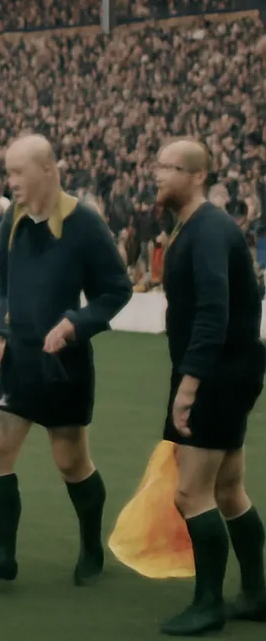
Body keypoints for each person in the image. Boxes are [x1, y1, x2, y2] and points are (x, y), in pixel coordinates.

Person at [0, 134, 133, 590]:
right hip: (19, 361)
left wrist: (74, 324)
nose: (9, 183)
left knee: (71, 462)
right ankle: (1, 557)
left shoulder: (86, 224)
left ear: (48, 170)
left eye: (16, 173)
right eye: (7, 173)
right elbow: (5, 292)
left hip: (63, 366)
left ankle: (91, 549)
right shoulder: (10, 218)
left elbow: (117, 290)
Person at [153, 139, 266, 636]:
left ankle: (209, 605)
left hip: (216, 375)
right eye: (157, 166)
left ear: (197, 176)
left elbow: (214, 311)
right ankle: (258, 593)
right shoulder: (197, 228)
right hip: (229, 371)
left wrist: (189, 382)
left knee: (191, 493)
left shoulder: (209, 230)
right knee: (228, 488)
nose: (158, 175)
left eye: (169, 168)